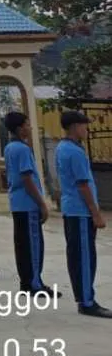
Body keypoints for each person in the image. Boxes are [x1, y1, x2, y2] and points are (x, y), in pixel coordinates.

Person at [56, 109, 112, 317]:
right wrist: (96, 213)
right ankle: (87, 301)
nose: (86, 129)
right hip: (80, 211)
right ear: (74, 127)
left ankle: (84, 297)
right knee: (84, 257)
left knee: (78, 255)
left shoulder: (63, 148)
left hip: (72, 208)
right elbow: (83, 185)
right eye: (84, 125)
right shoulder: (74, 152)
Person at [2, 111, 51, 294]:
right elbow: (27, 178)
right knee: (33, 245)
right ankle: (34, 284)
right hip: (27, 203)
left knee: (22, 245)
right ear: (20, 128)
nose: (30, 128)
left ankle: (26, 281)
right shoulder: (22, 149)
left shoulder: (9, 147)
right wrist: (42, 203)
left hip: (17, 202)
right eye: (27, 124)